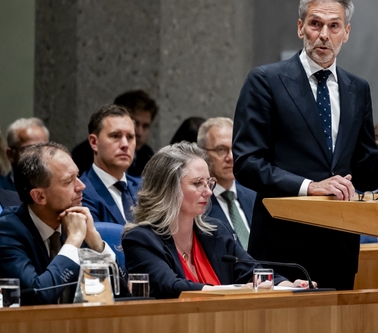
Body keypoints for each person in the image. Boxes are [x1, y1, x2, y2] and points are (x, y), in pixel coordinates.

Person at [232, 0, 378, 289]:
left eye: (334, 26)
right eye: (315, 24)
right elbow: (247, 163)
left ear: (346, 33)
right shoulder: (266, 81)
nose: (324, 34)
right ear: (300, 28)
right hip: (283, 247)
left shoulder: (357, 89)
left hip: (339, 248)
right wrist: (311, 187)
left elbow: (360, 170)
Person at [122, 142, 311, 299]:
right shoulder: (140, 239)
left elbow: (253, 272)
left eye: (209, 182)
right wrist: (235, 291)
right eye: (198, 183)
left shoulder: (215, 232)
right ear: (168, 188)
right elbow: (169, 286)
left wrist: (287, 285)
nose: (209, 192)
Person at [0, 142, 114, 305]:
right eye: (69, 181)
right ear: (39, 196)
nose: (82, 186)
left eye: (78, 176)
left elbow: (121, 294)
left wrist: (97, 245)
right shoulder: (7, 231)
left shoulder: (78, 222)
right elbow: (38, 295)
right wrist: (73, 241)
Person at [197, 118, 256, 249]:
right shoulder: (197, 204)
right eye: (221, 149)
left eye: (235, 148)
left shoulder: (254, 198)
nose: (230, 157)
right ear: (202, 153)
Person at [72, 90, 158, 177]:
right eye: (135, 123)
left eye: (145, 126)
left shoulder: (148, 156)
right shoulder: (82, 155)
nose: (139, 132)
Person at [80, 105, 141, 224]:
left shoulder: (145, 188)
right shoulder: (81, 193)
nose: (125, 144)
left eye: (130, 137)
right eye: (115, 136)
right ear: (94, 142)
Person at [0, 118, 50, 192]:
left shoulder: (56, 187)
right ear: (10, 155)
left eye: (42, 148)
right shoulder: (2, 190)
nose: (38, 154)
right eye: (30, 149)